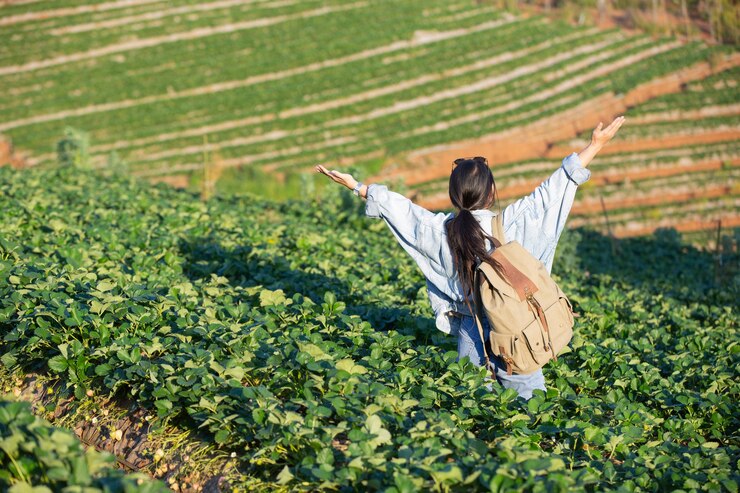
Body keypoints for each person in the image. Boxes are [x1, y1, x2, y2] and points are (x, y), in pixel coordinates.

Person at [316, 116, 625, 399]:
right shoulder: (510, 224)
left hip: (470, 331)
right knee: (532, 411)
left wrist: (358, 186)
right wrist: (595, 146)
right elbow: (553, 191)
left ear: (454, 195)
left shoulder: (441, 230)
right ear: (491, 192)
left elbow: (403, 211)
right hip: (517, 331)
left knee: (473, 407)